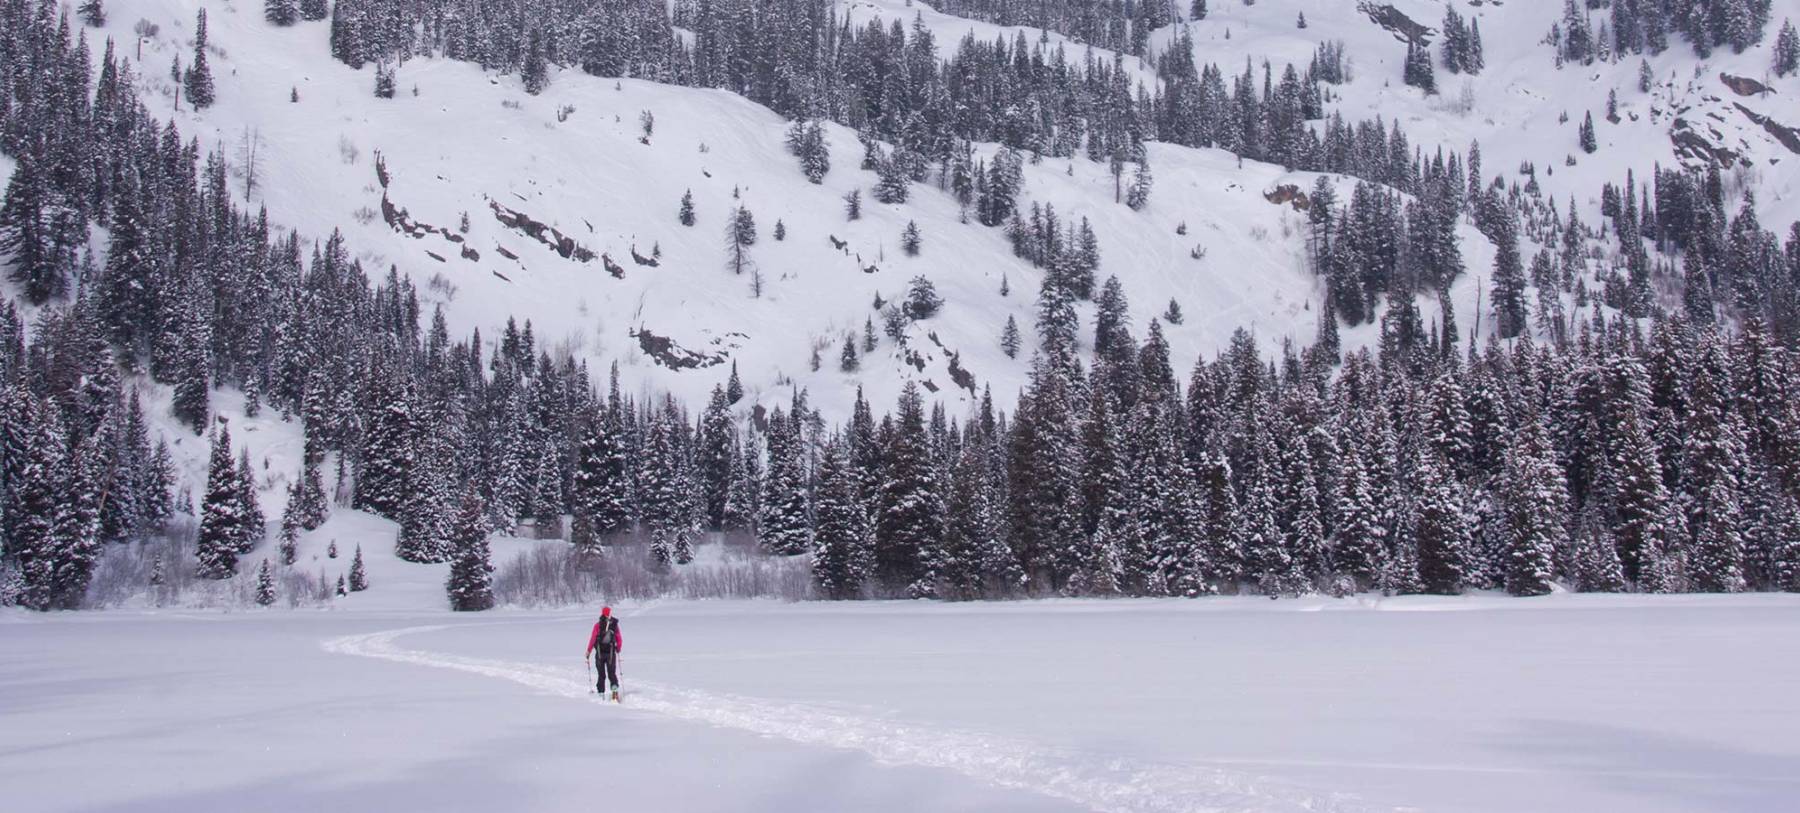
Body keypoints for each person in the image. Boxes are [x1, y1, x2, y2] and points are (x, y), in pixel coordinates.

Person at [585, 606, 623, 700]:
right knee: (612, 673)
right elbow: (619, 639)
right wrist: (618, 648)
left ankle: (601, 694)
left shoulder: (597, 625)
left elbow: (593, 639)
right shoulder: (614, 625)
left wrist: (588, 651)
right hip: (610, 654)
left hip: (599, 654)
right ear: (610, 613)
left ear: (602, 613)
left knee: (601, 674)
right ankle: (614, 694)